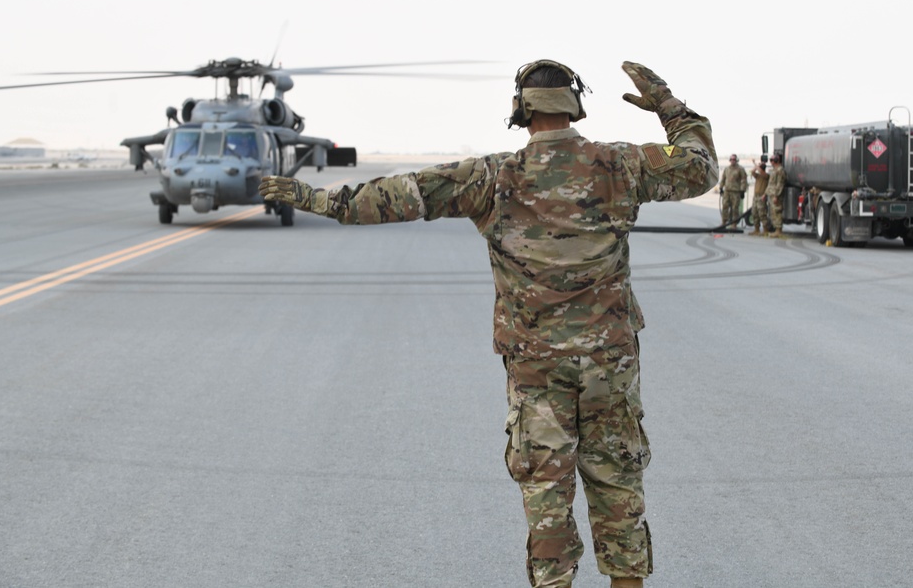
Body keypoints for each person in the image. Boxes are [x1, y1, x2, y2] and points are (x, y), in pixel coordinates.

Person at [258, 60, 719, 588]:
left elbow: (397, 196)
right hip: (609, 370)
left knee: (547, 498)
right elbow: (700, 167)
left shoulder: (491, 177)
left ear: (521, 111)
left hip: (536, 373)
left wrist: (313, 198)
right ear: (575, 106)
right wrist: (667, 104)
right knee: (619, 489)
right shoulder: (620, 164)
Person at [717, 153, 747, 226]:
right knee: (725, 206)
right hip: (727, 191)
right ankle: (724, 222)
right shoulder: (727, 169)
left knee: (735, 208)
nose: (732, 161)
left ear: (736, 160)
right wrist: (721, 187)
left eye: (734, 159)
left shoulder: (740, 169)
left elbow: (743, 180)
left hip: (735, 191)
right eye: (731, 159)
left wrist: (742, 190)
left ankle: (734, 223)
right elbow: (723, 179)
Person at [749, 158, 771, 236]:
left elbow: (761, 171)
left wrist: (755, 163)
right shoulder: (758, 176)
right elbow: (752, 171)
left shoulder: (766, 176)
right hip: (756, 196)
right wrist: (757, 165)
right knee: (754, 212)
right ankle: (756, 229)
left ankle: (765, 229)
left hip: (762, 197)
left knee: (762, 213)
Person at [766, 153, 786, 237]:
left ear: (777, 161)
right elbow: (771, 183)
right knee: (773, 212)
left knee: (777, 211)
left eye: (772, 160)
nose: (771, 162)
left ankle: (778, 230)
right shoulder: (775, 170)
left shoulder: (780, 170)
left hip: (776, 195)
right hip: (772, 194)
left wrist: (776, 196)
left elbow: (779, 184)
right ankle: (776, 229)